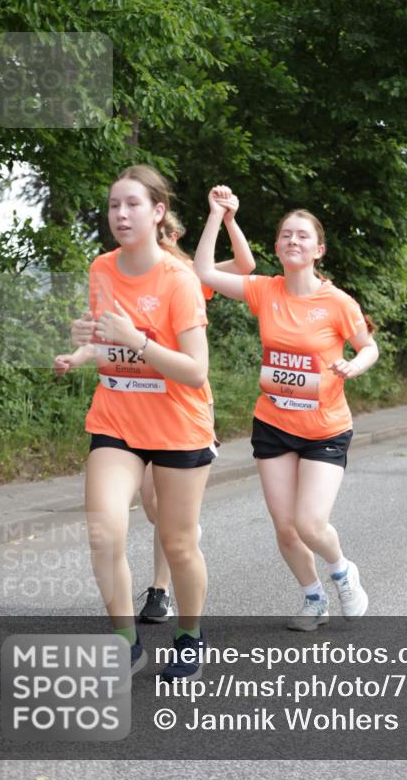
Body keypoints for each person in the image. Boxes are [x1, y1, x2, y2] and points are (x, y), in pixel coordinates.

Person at [194, 187, 379, 630]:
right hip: (274, 424)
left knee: (311, 523)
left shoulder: (337, 302)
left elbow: (368, 346)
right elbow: (200, 270)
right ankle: (313, 598)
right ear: (276, 247)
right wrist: (220, 216)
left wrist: (353, 365)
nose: (293, 241)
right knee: (285, 527)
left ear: (319, 250)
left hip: (325, 427)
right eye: (285, 236)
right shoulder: (264, 291)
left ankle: (342, 571)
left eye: (302, 236)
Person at [60, 164, 215, 680]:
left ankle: (189, 635)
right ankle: (126, 642)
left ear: (158, 212)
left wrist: (137, 341)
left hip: (178, 425)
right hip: (117, 420)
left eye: (132, 205)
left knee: (178, 543)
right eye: (113, 206)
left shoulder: (179, 281)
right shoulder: (101, 269)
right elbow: (106, 338)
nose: (120, 215)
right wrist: (83, 348)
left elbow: (195, 371)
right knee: (104, 531)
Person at [137, 205, 255, 624]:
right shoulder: (128, 279)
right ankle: (181, 543)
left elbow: (245, 265)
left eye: (164, 235)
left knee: (167, 507)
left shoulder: (187, 275)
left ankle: (160, 589)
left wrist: (221, 216)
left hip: (183, 409)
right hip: (138, 409)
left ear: (170, 234)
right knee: (152, 504)